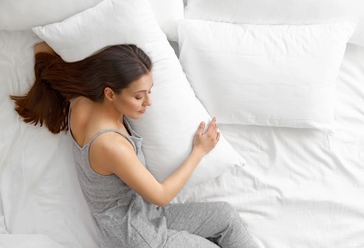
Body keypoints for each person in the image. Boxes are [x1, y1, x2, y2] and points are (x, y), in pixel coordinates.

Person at [11, 42, 258, 248]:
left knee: (225, 216)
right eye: (139, 96)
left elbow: (42, 52)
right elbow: (160, 196)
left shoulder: (81, 100)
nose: (148, 102)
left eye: (149, 91)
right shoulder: (110, 145)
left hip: (146, 217)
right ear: (110, 93)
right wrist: (199, 150)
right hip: (139, 238)